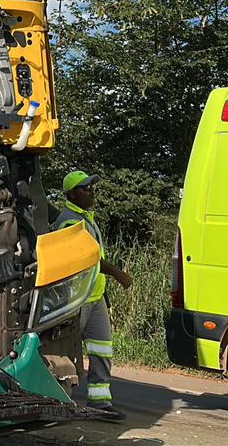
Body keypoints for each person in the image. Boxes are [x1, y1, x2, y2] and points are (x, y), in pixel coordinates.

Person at [54, 170, 131, 421]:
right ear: (72, 194)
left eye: (92, 188)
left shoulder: (86, 218)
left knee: (102, 348)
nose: (92, 192)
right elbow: (89, 258)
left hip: (94, 297)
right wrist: (118, 273)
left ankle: (100, 403)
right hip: (76, 299)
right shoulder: (69, 222)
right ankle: (56, 400)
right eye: (86, 188)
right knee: (66, 351)